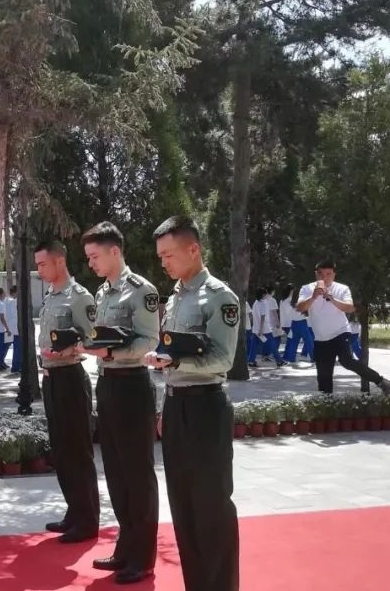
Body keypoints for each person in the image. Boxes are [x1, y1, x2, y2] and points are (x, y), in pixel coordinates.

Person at [143, 216, 239, 591]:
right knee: (183, 507)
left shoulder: (219, 297)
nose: (163, 262)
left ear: (193, 249)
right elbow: (171, 352)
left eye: (169, 254)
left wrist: (175, 363)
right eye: (160, 256)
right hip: (176, 407)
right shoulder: (176, 296)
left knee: (211, 507)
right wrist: (164, 406)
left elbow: (223, 359)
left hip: (206, 408)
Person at [75, 222, 160, 584]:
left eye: (95, 256)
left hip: (132, 386)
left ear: (114, 251)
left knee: (137, 475)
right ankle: (125, 548)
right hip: (107, 385)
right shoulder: (103, 292)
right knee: (115, 472)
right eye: (88, 257)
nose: (91, 263)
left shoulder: (142, 290)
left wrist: (110, 351)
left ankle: (142, 557)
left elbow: (149, 340)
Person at [34, 241, 100, 544]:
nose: (39, 270)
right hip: (51, 379)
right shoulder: (50, 295)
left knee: (78, 451)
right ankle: (74, 511)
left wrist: (68, 350)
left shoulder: (79, 297)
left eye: (42, 264)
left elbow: (92, 340)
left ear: (59, 261)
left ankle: (87, 521)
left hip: (71, 378)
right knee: (61, 451)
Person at [296, 261, 390, 395]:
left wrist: (332, 298)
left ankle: (380, 381)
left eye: (328, 274)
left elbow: (349, 308)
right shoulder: (307, 289)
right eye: (320, 274)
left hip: (340, 332)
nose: (324, 277)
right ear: (316, 274)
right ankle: (326, 403)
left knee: (347, 361)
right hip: (321, 338)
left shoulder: (342, 289)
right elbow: (300, 308)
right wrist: (313, 297)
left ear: (334, 275)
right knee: (324, 376)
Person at [6, 285, 21, 374]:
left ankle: (16, 366)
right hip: (17, 327)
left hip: (12, 328)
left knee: (17, 348)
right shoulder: (16, 302)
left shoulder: (8, 302)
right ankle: (17, 366)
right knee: (18, 348)